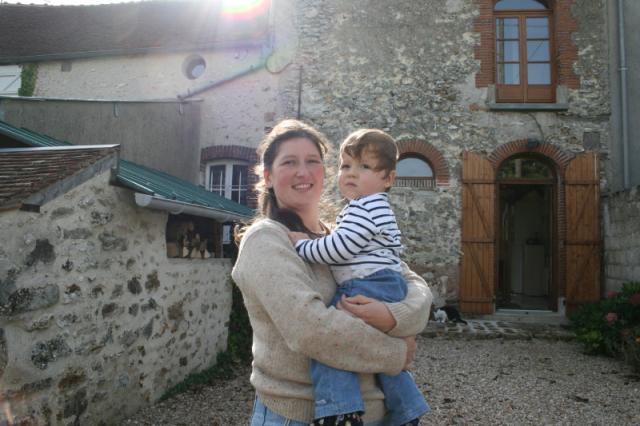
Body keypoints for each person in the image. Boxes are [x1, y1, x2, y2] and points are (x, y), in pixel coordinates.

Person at [231, 119, 432, 426]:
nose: (303, 171)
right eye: (289, 162)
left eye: (313, 161)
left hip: (377, 414)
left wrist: (392, 316)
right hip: (299, 417)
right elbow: (311, 330)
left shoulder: (341, 236)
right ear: (268, 177)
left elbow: (414, 286)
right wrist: (398, 351)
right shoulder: (268, 239)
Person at [288, 129, 429, 425]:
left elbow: (338, 249)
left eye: (365, 167)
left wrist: (302, 245)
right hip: (384, 283)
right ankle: (408, 409)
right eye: (345, 166)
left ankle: (340, 410)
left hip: (368, 284)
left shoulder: (365, 207)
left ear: (388, 179)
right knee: (380, 358)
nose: (351, 173)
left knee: (332, 341)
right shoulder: (370, 208)